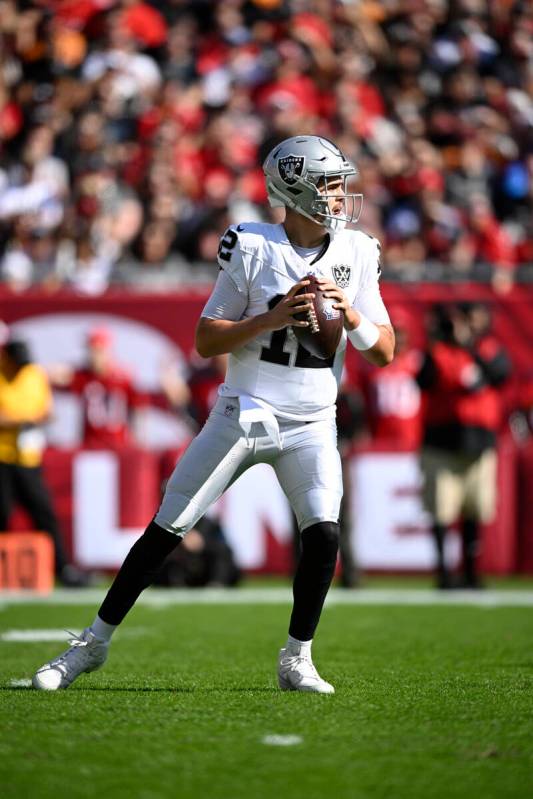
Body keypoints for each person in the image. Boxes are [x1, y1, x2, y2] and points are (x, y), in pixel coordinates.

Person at [32, 135, 394, 693]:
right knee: (167, 529)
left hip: (314, 419)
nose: (340, 194)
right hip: (245, 412)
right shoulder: (252, 245)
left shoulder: (358, 252)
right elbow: (206, 339)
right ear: (293, 189)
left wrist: (351, 318)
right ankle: (91, 644)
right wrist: (269, 320)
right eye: (328, 183)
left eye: (340, 182)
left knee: (323, 535)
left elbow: (385, 350)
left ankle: (297, 657)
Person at [417, 302, 511, 589]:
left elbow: (499, 374)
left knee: (475, 509)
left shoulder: (489, 349)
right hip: (442, 442)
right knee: (441, 510)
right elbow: (423, 379)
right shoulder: (438, 352)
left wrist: (469, 346)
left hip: (479, 444)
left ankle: (471, 572)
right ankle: (444, 571)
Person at [0, 337, 88, 587]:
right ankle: (6, 572)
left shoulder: (34, 375)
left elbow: (47, 410)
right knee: (2, 515)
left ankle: (62, 568)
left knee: (44, 513)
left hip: (28, 458)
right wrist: (21, 420)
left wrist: (35, 419)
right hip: (2, 457)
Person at [49, 326, 147, 449]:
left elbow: (138, 411)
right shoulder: (83, 376)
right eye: (91, 350)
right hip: (90, 446)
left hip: (117, 446)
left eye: (97, 350)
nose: (93, 355)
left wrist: (138, 442)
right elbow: (52, 377)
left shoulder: (124, 378)